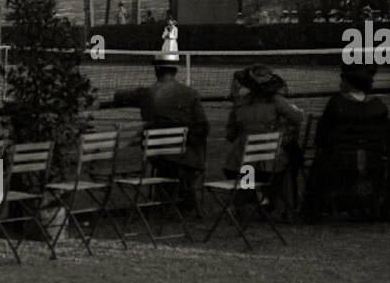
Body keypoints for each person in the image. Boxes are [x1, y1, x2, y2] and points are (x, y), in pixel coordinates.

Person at [115, 60, 210, 210]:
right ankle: (184, 195)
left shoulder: (147, 93)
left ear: (157, 70)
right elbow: (203, 126)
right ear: (175, 71)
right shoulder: (190, 93)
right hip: (188, 154)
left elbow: (119, 96)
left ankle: (169, 196)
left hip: (159, 154)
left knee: (168, 158)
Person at [302, 64, 389, 222]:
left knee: (320, 161)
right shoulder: (379, 106)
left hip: (341, 162)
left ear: (349, 83)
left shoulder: (337, 103)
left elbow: (322, 135)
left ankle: (313, 212)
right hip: (371, 161)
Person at [224, 66, 304, 219]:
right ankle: (285, 205)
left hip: (242, 165)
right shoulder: (277, 101)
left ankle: (251, 202)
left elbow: (230, 134)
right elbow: (299, 118)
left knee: (246, 164)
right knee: (289, 159)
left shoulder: (240, 104)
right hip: (272, 163)